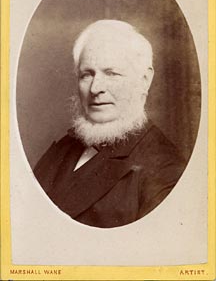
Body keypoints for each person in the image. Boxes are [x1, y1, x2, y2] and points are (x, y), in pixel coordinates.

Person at [34, 20, 187, 228]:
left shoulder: (168, 170)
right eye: (86, 74)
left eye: (112, 73)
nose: (96, 88)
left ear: (144, 80)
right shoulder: (61, 150)